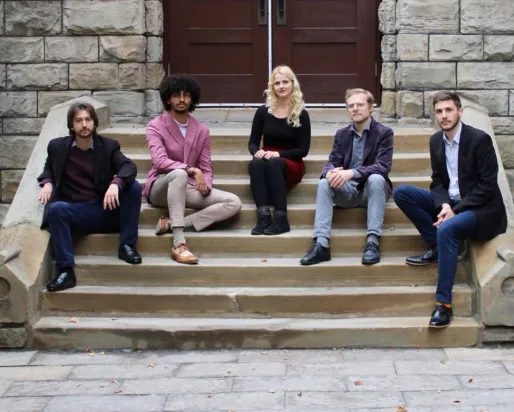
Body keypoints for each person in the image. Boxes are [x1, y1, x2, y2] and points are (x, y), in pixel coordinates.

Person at [393, 91, 507, 328]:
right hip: (453, 203)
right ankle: (436, 246)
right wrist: (444, 204)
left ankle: (443, 304)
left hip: (482, 209)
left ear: (459, 112)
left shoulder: (479, 140)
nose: (444, 116)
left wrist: (456, 210)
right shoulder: (436, 141)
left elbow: (487, 187)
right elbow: (437, 181)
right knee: (402, 193)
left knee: (447, 229)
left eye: (449, 110)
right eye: (439, 111)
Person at [38, 102, 142, 292]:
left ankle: (127, 246)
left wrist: (115, 183)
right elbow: (48, 169)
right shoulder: (57, 147)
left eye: (88, 120)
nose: (84, 125)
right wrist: (47, 182)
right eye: (79, 121)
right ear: (71, 125)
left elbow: (129, 167)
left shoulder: (108, 146)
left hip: (105, 209)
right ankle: (66, 272)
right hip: (76, 213)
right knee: (56, 209)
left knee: (133, 187)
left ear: (94, 122)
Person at [143, 73, 242, 264]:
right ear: (168, 98)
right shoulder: (155, 126)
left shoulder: (201, 130)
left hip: (187, 188)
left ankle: (171, 223)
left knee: (233, 202)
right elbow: (160, 161)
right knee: (179, 174)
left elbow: (206, 166)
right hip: (160, 187)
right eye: (176, 95)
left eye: (186, 95)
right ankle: (179, 243)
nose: (181, 100)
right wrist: (192, 170)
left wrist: (207, 183)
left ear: (192, 98)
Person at [300, 88, 393, 266]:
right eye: (351, 106)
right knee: (323, 183)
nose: (355, 109)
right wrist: (330, 173)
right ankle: (321, 244)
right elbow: (332, 162)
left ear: (371, 107)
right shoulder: (341, 134)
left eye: (360, 104)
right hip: (348, 191)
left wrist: (352, 172)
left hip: (372, 192)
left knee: (376, 178)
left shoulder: (384, 133)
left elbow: (383, 166)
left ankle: (372, 243)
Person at [248, 65, 311, 235]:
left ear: (293, 85)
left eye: (285, 82)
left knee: (274, 163)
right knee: (255, 165)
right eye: (277, 83)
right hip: (268, 157)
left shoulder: (301, 113)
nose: (281, 86)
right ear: (272, 87)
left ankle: (282, 218)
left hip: (291, 161)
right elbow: (253, 143)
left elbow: (303, 150)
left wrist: (279, 154)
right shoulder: (263, 112)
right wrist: (257, 152)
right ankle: (263, 217)